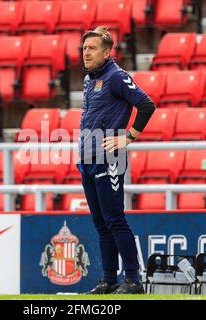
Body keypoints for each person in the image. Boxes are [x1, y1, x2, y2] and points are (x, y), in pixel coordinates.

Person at [77, 26, 156, 294]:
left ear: (107, 52)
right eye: (84, 48)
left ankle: (133, 280)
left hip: (109, 157)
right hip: (87, 158)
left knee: (114, 219)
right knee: (100, 221)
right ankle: (109, 279)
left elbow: (146, 104)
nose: (86, 53)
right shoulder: (90, 79)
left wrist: (129, 137)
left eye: (92, 48)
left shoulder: (117, 77)